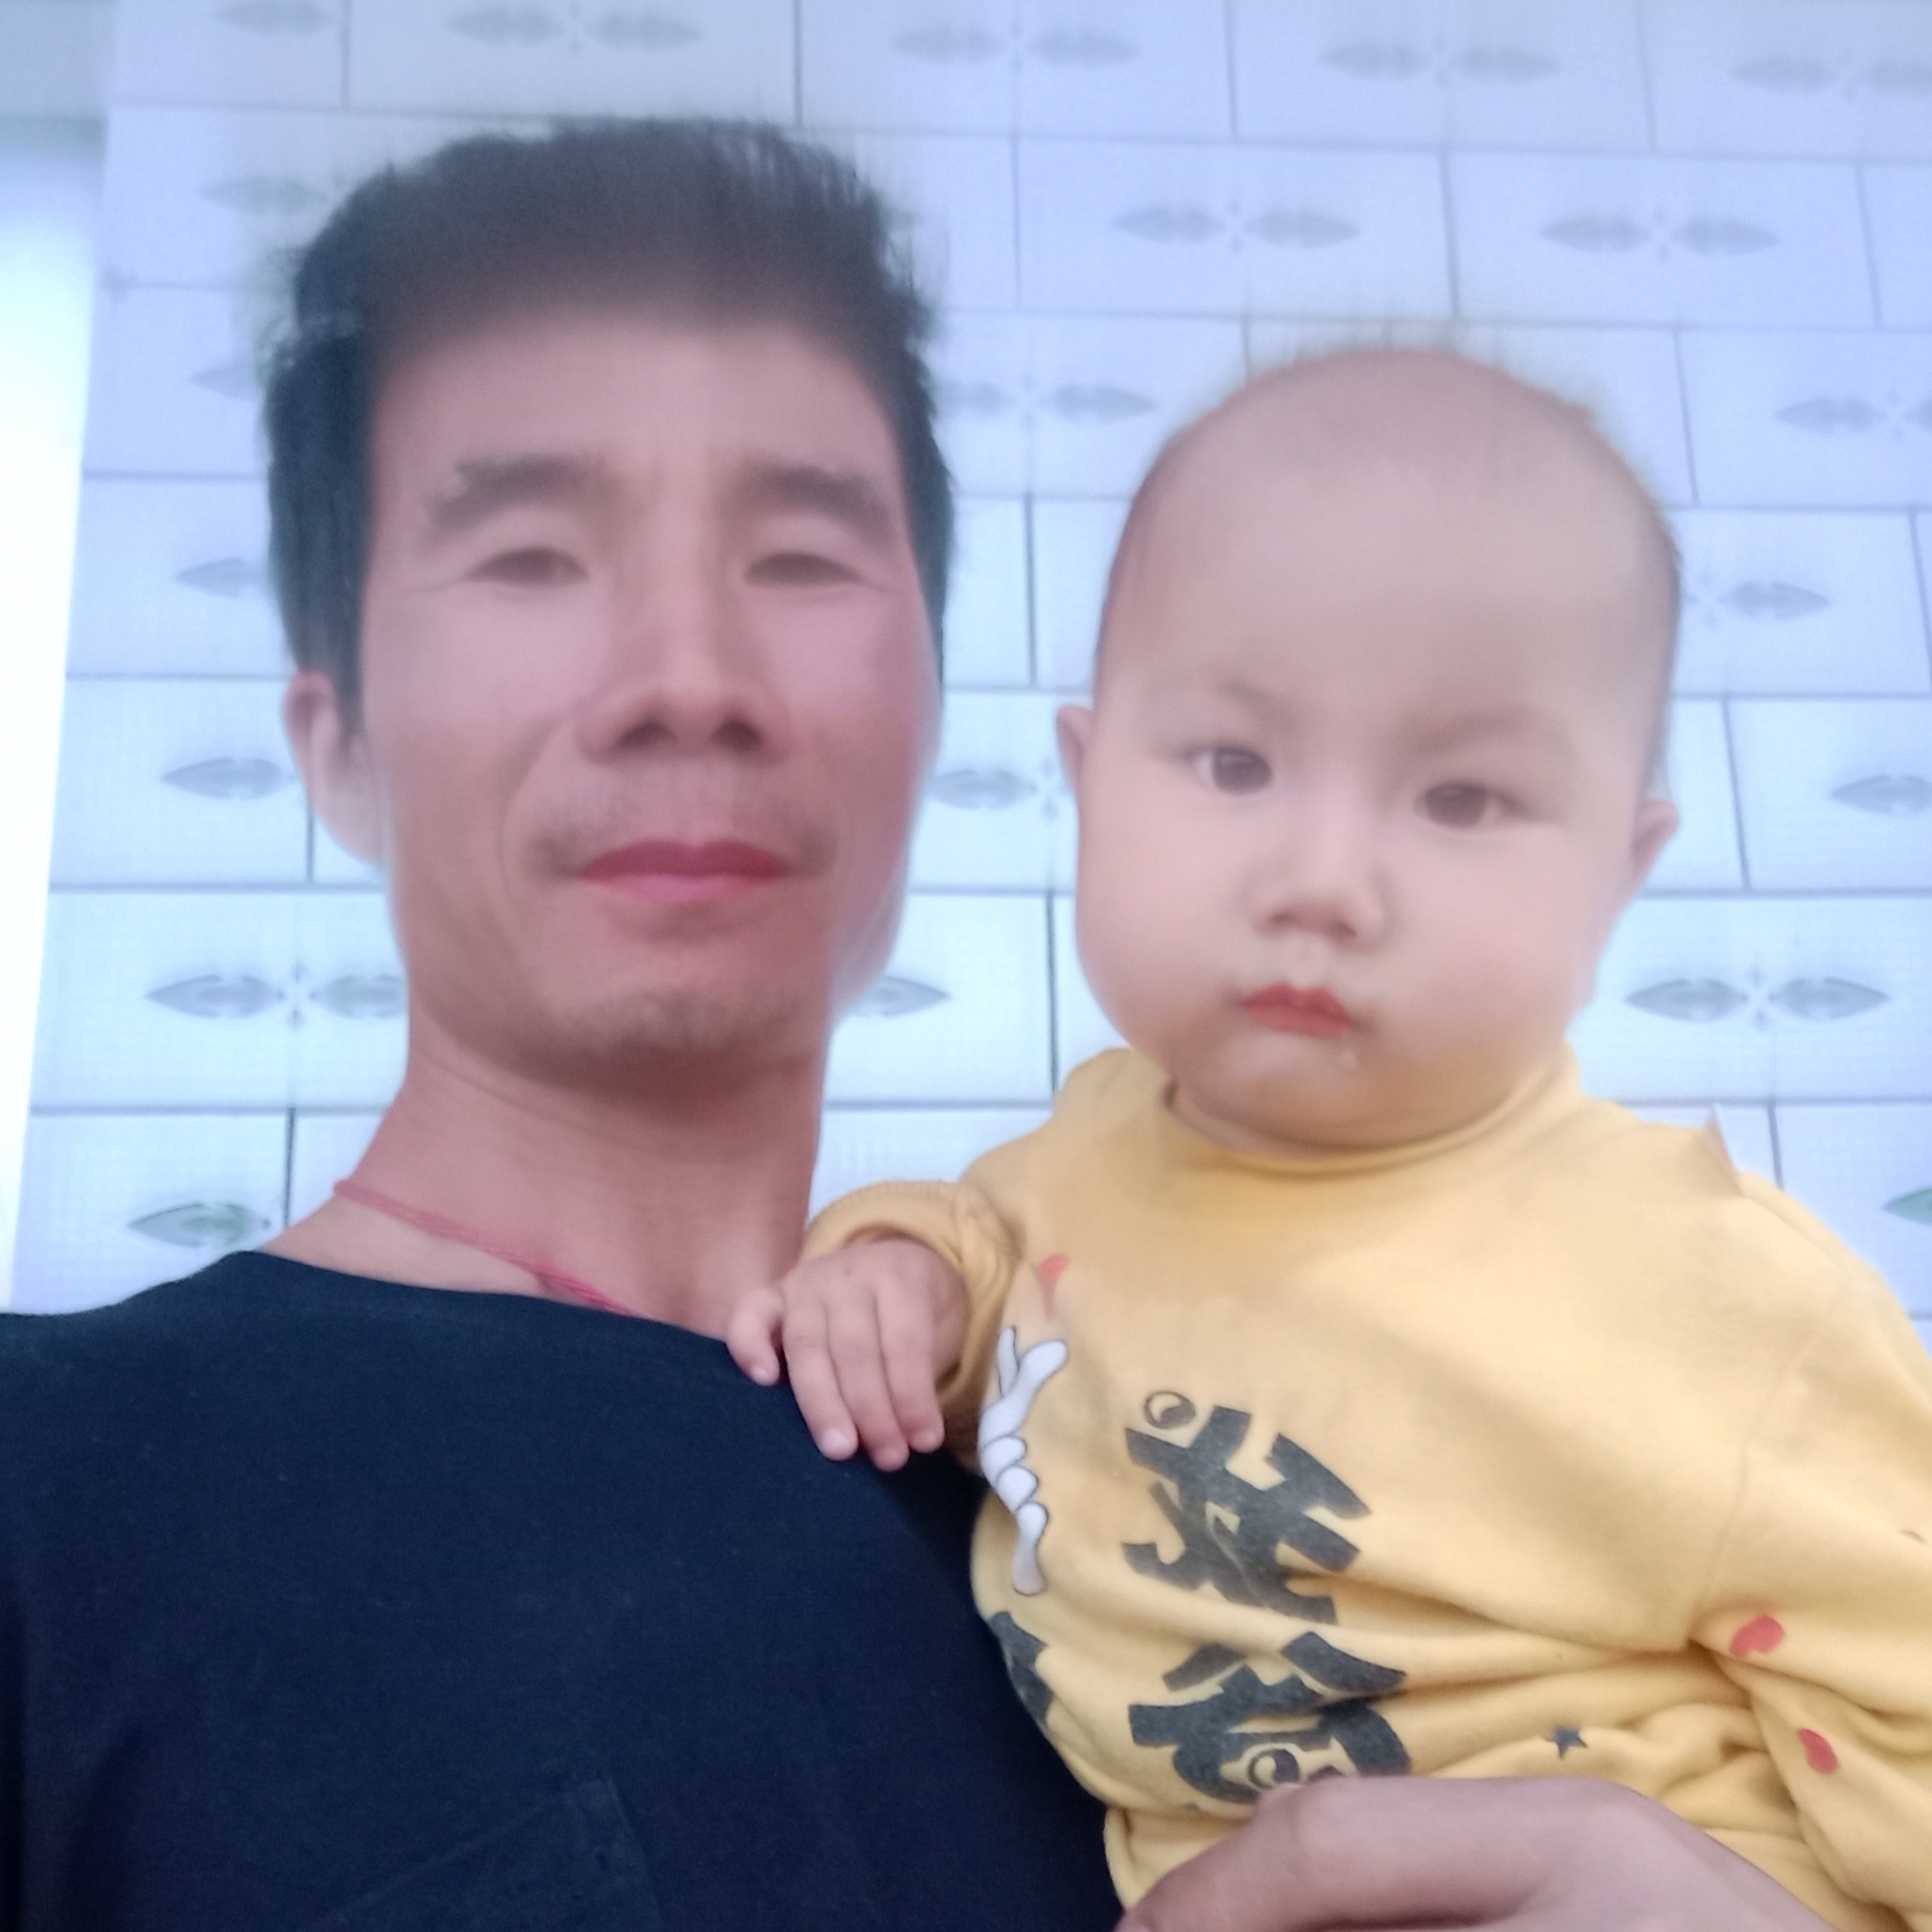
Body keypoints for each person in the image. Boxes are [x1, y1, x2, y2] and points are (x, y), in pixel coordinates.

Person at [0, 120, 1838, 1930]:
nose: (689, 682)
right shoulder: (53, 1490)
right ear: (335, 742)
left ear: (934, 714)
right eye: (534, 556)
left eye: (800, 559)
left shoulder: (1141, 1479)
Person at [730, 351, 1932, 1928]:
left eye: (1462, 799)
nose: (1324, 880)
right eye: (1235, 765)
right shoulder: (1099, 1149)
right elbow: (1001, 1291)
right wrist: (897, 1276)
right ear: (1089, 781)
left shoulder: (1721, 1304)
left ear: (1621, 870)